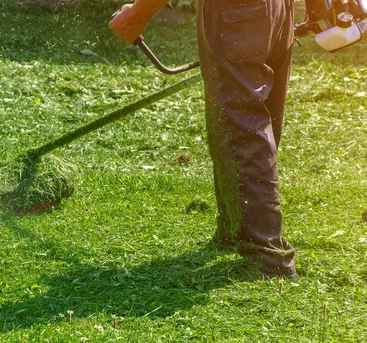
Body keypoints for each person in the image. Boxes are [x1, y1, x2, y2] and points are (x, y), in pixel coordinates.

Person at [109, 0, 298, 279]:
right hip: (277, 9)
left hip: (237, 11)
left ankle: (267, 255)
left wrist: (138, 14)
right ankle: (236, 229)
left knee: (242, 122)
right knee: (252, 115)